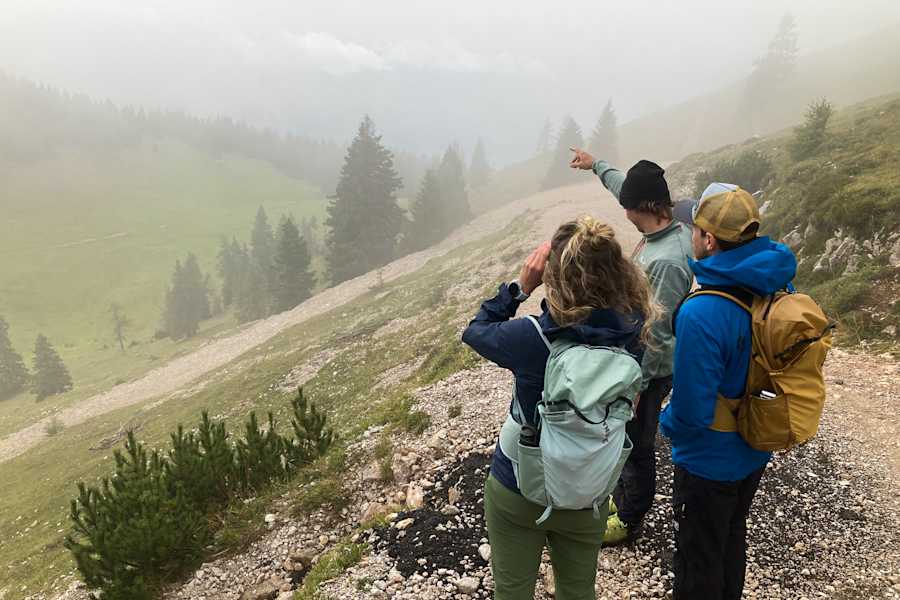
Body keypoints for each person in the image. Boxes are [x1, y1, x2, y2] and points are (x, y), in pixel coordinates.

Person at [462, 216, 657, 600]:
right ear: (618, 271)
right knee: (578, 591)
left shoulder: (531, 338)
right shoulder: (635, 334)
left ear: (555, 276)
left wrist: (520, 288)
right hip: (590, 489)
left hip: (519, 485)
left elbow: (476, 330)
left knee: (512, 592)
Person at [662, 183, 797, 600]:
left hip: (708, 459)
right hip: (755, 442)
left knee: (698, 557)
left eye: (694, 229)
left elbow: (691, 413)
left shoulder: (702, 311)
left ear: (709, 239)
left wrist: (665, 422)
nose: (691, 235)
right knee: (732, 536)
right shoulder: (775, 283)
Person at [569, 148, 693, 545]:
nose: (623, 210)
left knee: (636, 441)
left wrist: (638, 383)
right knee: (624, 432)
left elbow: (658, 330)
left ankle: (629, 518)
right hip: (638, 360)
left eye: (627, 206)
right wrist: (596, 166)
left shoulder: (667, 261)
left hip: (651, 370)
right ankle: (622, 498)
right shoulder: (664, 225)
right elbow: (625, 187)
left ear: (643, 207)